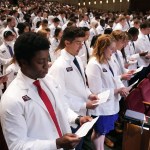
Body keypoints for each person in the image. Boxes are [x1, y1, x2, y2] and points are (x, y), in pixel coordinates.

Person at [0, 32, 92, 150]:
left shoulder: (48, 80)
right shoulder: (12, 99)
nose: (46, 65)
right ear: (23, 62)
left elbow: (61, 107)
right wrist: (55, 144)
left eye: (46, 59)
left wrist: (77, 118)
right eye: (40, 61)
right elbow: (17, 146)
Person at [49, 27, 99, 149]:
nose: (81, 46)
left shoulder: (77, 59)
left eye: (82, 43)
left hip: (82, 113)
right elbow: (59, 98)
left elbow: (82, 83)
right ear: (67, 42)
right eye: (78, 43)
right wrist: (84, 105)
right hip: (71, 116)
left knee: (80, 143)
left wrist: (89, 94)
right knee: (73, 146)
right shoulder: (59, 66)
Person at [86, 34, 129, 150]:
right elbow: (96, 91)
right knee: (98, 132)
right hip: (101, 107)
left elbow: (116, 78)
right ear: (103, 47)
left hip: (111, 104)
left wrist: (122, 88)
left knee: (103, 133)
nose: (114, 52)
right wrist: (117, 90)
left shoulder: (109, 60)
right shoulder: (94, 64)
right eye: (111, 49)